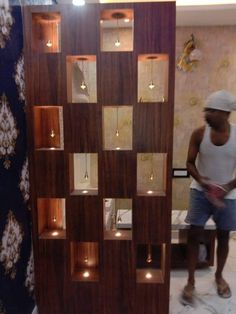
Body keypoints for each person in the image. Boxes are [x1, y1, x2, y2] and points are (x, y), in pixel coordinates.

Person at [181, 90, 236, 305]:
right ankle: (191, 281)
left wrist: (226, 187)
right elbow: (189, 163)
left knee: (223, 236)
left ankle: (219, 276)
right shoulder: (198, 134)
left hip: (229, 194)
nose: (206, 114)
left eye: (211, 111)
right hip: (199, 192)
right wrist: (203, 182)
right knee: (194, 234)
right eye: (206, 110)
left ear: (225, 113)